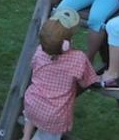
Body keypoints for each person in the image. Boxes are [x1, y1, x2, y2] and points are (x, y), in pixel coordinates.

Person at [21, 8, 98, 140]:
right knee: (46, 136)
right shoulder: (78, 58)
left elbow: (33, 65)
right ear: (66, 44)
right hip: (55, 114)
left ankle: (26, 137)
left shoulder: (40, 51)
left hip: (32, 102)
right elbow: (86, 81)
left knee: (32, 114)